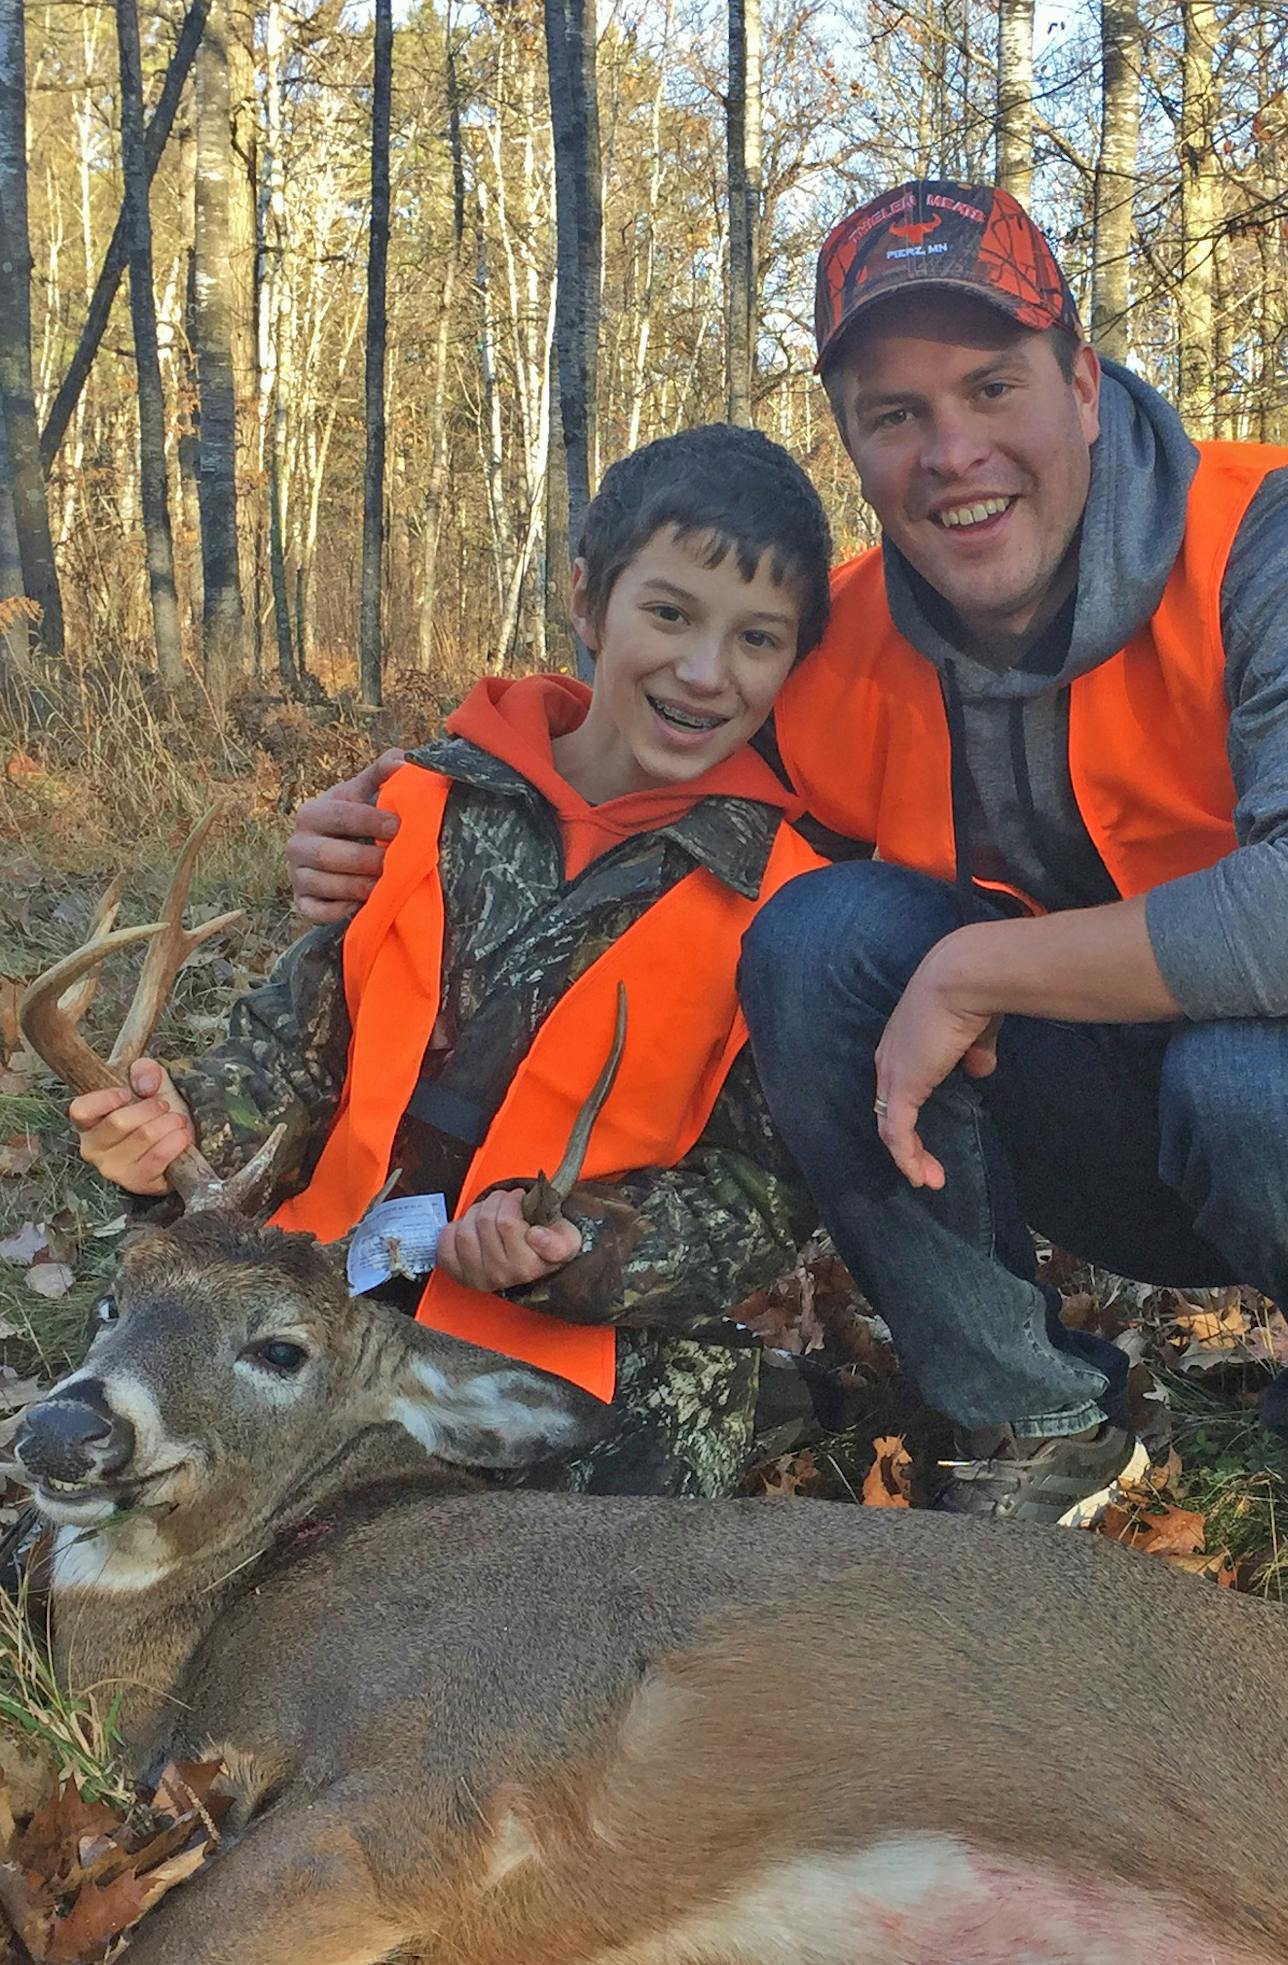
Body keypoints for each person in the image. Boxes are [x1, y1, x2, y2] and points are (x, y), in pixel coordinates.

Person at [288, 181, 1288, 1622]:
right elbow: (646, 753)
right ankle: (1034, 1421)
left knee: (1253, 1057)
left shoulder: (1276, 537)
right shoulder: (848, 643)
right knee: (820, 939)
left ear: (1082, 384)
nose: (954, 454)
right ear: (855, 447)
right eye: (895, 415)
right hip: (1121, 1140)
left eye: (993, 387)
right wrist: (414, 807)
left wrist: (980, 973)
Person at [72, 424, 835, 1498]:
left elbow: (759, 1195)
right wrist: (175, 1136)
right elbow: (292, 1053)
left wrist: (574, 1247)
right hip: (321, 1294)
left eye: (757, 639)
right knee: (129, 1488)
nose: (704, 670)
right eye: (667, 612)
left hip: (571, 1341)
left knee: (540, 1589)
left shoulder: (789, 900)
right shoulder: (419, 805)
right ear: (587, 601)